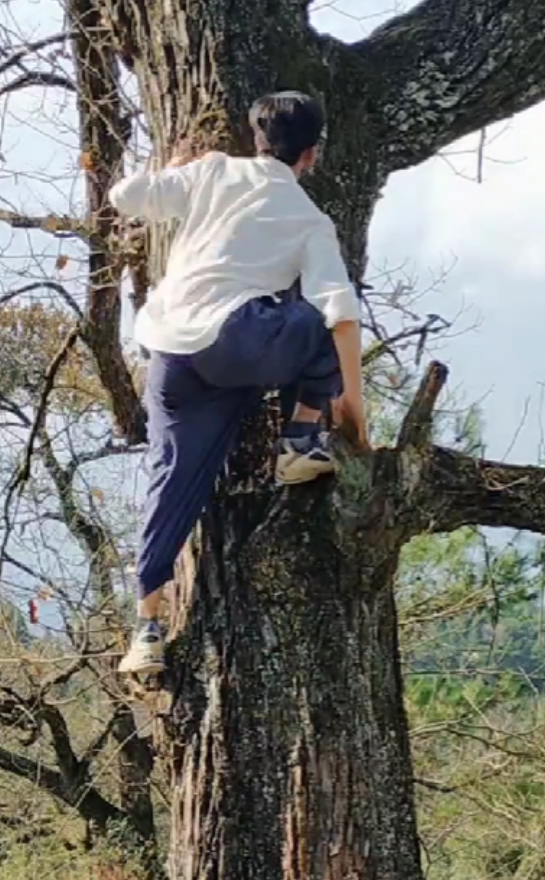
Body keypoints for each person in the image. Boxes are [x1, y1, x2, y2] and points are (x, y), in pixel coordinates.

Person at [109, 91, 366, 679]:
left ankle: (147, 628)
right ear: (311, 156)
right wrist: (350, 410)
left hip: (170, 351)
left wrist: (176, 168)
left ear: (255, 138)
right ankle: (300, 444)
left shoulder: (209, 172)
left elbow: (126, 197)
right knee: (313, 317)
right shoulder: (309, 219)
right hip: (235, 344)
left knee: (172, 479)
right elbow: (341, 315)